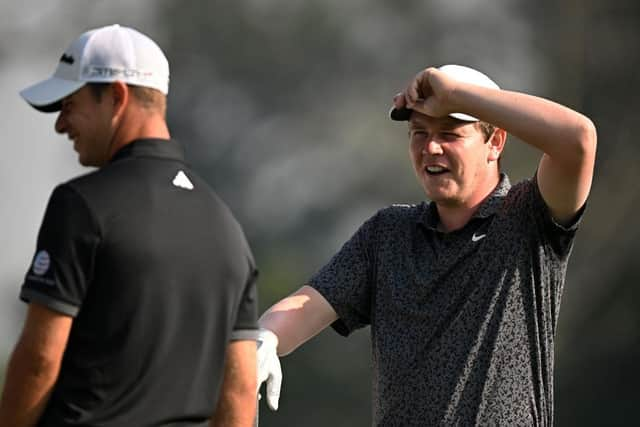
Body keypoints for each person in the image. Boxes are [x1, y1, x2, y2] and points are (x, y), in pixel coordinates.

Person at [256, 64, 597, 425]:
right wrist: (266, 335)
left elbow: (579, 139)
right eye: (419, 132)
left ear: (495, 142)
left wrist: (456, 96)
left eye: (450, 133)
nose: (431, 147)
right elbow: (310, 304)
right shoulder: (388, 233)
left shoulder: (528, 218)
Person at [0, 24, 258, 427]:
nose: (60, 125)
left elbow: (39, 360)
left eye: (69, 105)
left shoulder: (82, 205)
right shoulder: (226, 225)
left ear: (117, 97)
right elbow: (239, 390)